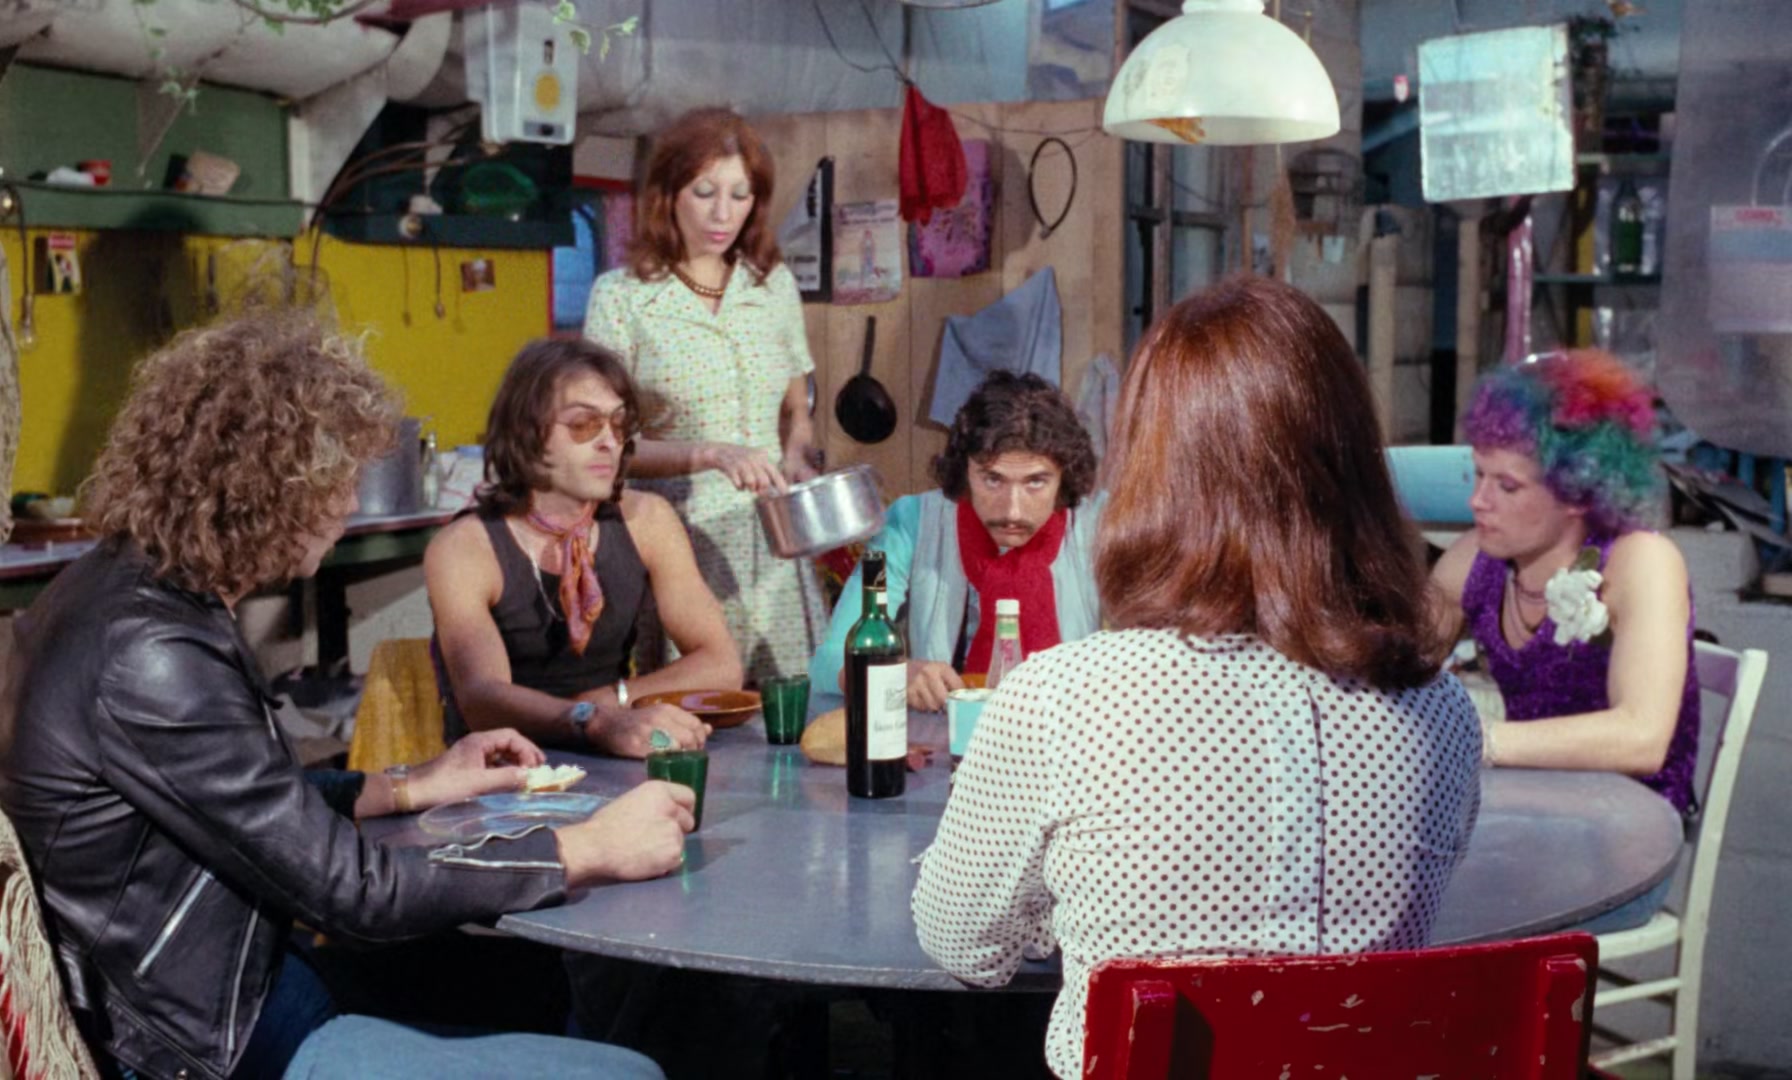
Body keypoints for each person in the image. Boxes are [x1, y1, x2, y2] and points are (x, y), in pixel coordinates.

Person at [0, 312, 690, 1080]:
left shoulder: (128, 589)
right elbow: (351, 891)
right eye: (341, 481)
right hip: (204, 1039)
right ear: (277, 489)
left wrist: (408, 786)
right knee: (626, 1074)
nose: (351, 503)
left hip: (220, 977)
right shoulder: (151, 654)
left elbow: (242, 803)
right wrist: (584, 849)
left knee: (526, 983)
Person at [911, 275, 1483, 1080]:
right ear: (1357, 465)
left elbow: (962, 945)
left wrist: (1059, 902)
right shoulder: (1444, 712)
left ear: (1149, 470)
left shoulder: (1059, 698)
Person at [1428, 349, 1697, 927]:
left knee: (1423, 896)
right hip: (1530, 821)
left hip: (1627, 847)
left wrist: (1476, 742)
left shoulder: (1641, 562)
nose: (1478, 501)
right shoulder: (1478, 560)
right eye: (1477, 475)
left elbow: (1641, 738)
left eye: (1507, 485)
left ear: (1577, 491)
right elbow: (1396, 662)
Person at [583, 106, 825, 684]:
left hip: (774, 543)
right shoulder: (623, 298)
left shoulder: (772, 288)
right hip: (678, 543)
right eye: (705, 192)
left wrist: (797, 455)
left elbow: (798, 407)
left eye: (740, 195)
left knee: (792, 702)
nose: (723, 214)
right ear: (668, 194)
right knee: (698, 707)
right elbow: (604, 446)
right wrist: (710, 454)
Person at [427, 337, 741, 753]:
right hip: (502, 765)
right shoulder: (465, 547)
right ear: (527, 433)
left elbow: (721, 664)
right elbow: (483, 700)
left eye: (618, 424)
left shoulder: (646, 519)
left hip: (614, 746)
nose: (608, 441)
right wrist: (591, 719)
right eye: (583, 425)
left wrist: (613, 702)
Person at [809, 371, 1103, 710]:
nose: (1013, 509)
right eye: (992, 480)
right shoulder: (910, 522)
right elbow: (827, 662)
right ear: (964, 470)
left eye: (1036, 482)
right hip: (945, 732)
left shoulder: (1103, 525)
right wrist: (889, 674)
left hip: (1074, 733)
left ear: (1064, 476)